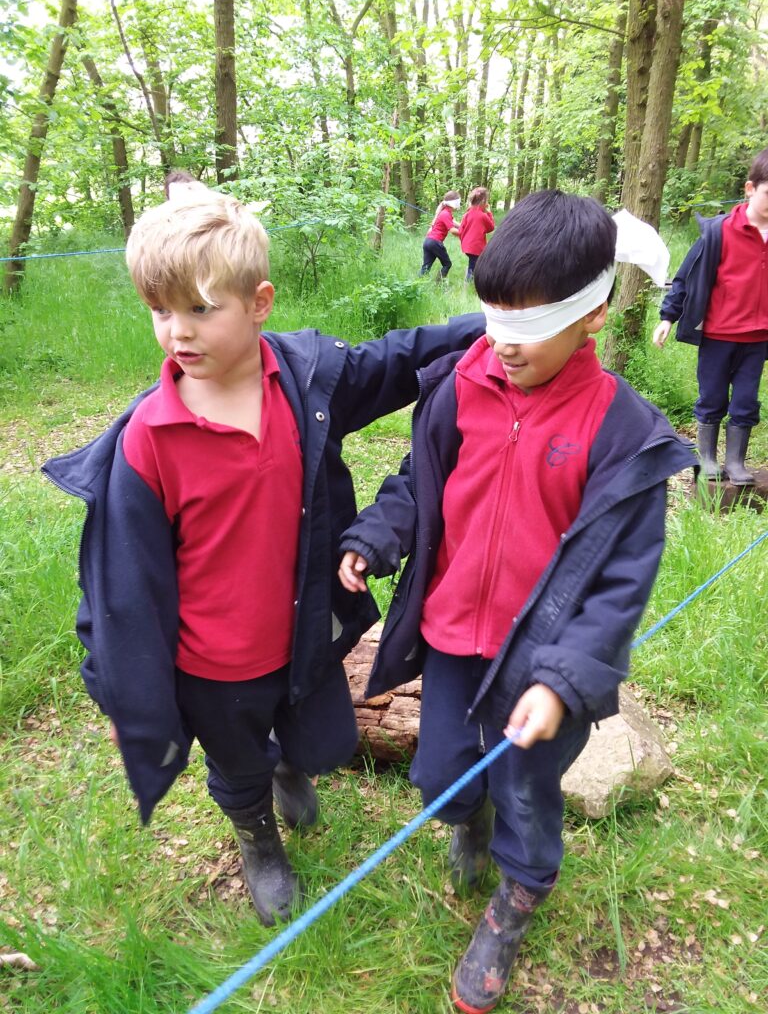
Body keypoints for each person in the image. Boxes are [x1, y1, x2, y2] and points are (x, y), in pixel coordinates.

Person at [42, 188, 484, 927]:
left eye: (200, 309)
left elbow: (398, 360)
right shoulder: (150, 441)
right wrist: (122, 693)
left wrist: (499, 322)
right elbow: (121, 595)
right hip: (211, 665)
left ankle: (289, 761)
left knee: (325, 743)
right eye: (160, 311)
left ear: (259, 303)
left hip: (304, 634)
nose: (176, 332)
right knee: (237, 765)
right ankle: (258, 839)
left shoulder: (308, 381)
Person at [338, 191, 696, 1012]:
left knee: (530, 791)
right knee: (440, 778)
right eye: (493, 318)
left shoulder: (623, 435)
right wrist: (377, 535)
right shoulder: (461, 386)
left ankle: (517, 897)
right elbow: (421, 486)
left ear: (594, 316)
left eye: (529, 327)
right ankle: (467, 819)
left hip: (544, 666)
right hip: (455, 639)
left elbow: (619, 584)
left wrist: (564, 679)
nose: (504, 343)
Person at [653, 147, 768, 484]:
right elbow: (686, 278)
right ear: (749, 189)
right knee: (713, 396)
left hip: (758, 339)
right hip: (718, 335)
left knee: (746, 400)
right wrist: (666, 317)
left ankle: (736, 462)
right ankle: (706, 458)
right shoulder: (719, 233)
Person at [420, 190, 461, 280]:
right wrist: (465, 234)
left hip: (428, 241)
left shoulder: (444, 212)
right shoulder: (446, 214)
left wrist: (464, 226)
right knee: (447, 264)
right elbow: (453, 231)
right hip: (435, 242)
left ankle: (419, 284)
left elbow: (453, 223)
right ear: (455, 203)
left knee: (426, 266)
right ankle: (439, 284)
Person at [458, 187, 495, 282]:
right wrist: (489, 213)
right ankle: (469, 282)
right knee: (476, 265)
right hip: (476, 247)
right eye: (487, 201)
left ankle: (472, 279)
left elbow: (461, 230)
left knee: (474, 263)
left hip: (467, 246)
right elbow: (491, 227)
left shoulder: (467, 214)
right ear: (483, 201)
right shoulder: (483, 215)